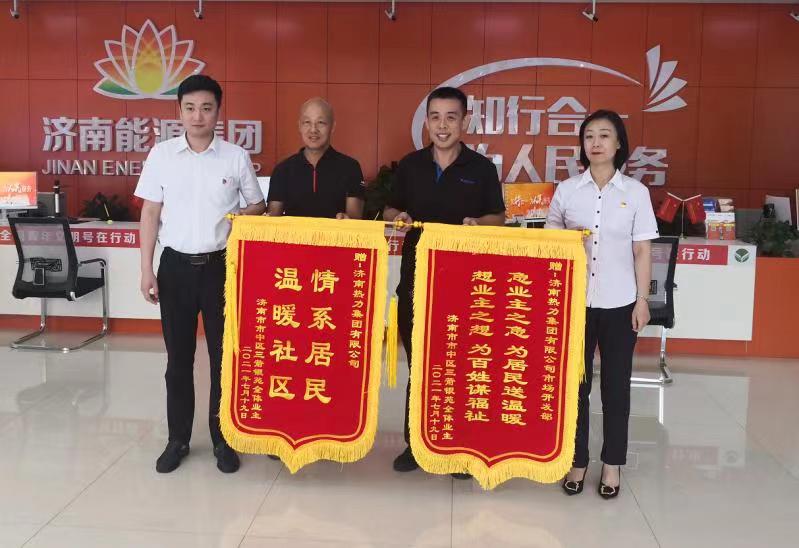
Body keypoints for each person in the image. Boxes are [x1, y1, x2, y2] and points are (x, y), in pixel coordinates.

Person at [136, 74, 266, 474]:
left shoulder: (235, 157)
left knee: (223, 358)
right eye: (190, 108)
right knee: (178, 359)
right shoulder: (162, 155)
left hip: (220, 269)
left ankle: (223, 439)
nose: (198, 116)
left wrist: (238, 216)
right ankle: (177, 439)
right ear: (179, 111)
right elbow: (150, 213)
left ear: (218, 112)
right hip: (174, 268)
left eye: (206, 108)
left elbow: (258, 205)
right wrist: (146, 270)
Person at [383, 86, 506, 476]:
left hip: (466, 284)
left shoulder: (481, 169)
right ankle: (415, 445)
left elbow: (498, 218)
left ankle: (457, 447)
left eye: (451, 117)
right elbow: (389, 208)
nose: (442, 125)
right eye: (435, 117)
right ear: (427, 122)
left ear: (464, 121)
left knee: (459, 365)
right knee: (420, 364)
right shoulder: (411, 165)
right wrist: (399, 217)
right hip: (416, 280)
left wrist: (478, 223)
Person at [545, 110, 658, 499]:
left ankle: (612, 464)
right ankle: (577, 460)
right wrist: (567, 241)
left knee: (615, 387)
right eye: (589, 135)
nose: (595, 142)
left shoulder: (636, 193)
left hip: (620, 303)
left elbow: (642, 251)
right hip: (574, 304)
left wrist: (642, 301)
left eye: (604, 135)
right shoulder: (567, 191)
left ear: (618, 143)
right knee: (575, 387)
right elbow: (551, 245)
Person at [266, 98, 365, 219]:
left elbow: (355, 218)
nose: (313, 129)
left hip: (333, 232)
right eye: (307, 122)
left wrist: (346, 219)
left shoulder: (350, 167)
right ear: (299, 126)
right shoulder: (283, 170)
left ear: (332, 127)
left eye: (321, 122)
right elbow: (273, 218)